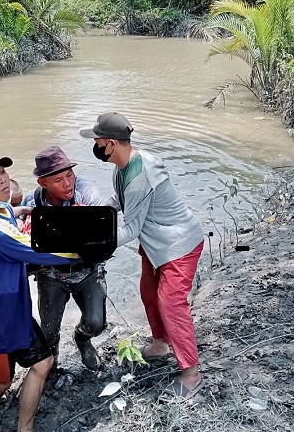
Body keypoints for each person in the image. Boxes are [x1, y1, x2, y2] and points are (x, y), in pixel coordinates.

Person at [80, 112, 205, 402]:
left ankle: (191, 374)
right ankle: (160, 345)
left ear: (111, 144)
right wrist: (91, 216)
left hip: (178, 244)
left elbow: (131, 228)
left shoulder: (140, 175)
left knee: (171, 303)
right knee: (149, 293)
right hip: (156, 244)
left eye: (98, 142)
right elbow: (119, 203)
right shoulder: (121, 167)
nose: (96, 147)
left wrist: (90, 242)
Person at [0, 151, 76, 432]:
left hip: (15, 313)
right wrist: (86, 248)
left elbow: (9, 214)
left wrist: (23, 211)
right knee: (0, 381)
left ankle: (25, 428)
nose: (2, 180)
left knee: (43, 362)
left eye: (2, 172)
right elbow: (48, 252)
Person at [22, 145, 107, 370]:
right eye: (59, 180)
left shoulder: (85, 192)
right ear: (43, 183)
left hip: (87, 270)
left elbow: (102, 230)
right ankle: (52, 358)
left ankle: (82, 338)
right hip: (50, 275)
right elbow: (18, 244)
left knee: (96, 323)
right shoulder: (31, 203)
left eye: (70, 175)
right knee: (48, 332)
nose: (68, 184)